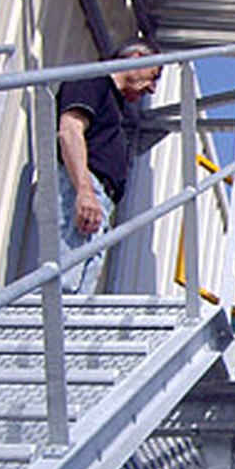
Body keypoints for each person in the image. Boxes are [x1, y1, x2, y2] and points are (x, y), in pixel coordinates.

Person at [55, 38, 161, 294]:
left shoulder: (116, 104)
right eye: (154, 75)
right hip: (80, 187)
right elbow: (70, 131)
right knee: (66, 285)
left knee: (81, 289)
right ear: (136, 58)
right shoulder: (93, 80)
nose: (153, 89)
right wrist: (84, 190)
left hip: (97, 196)